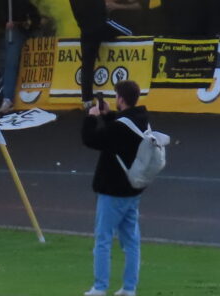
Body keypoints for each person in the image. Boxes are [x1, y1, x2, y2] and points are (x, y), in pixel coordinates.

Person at [81, 79, 148, 296]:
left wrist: (92, 118)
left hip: (113, 190)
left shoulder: (121, 126)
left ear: (120, 98)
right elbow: (118, 134)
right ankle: (129, 287)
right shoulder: (142, 120)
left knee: (103, 239)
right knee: (131, 241)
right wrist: (109, 115)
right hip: (132, 188)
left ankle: (100, 287)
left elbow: (92, 139)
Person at [70, 0, 135, 108]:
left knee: (87, 65)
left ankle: (86, 100)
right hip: (101, 25)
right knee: (130, 33)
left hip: (86, 31)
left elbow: (75, 14)